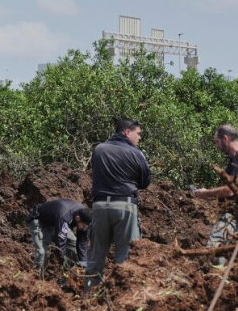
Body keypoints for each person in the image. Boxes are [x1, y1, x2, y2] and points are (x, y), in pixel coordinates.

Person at [86, 119, 152, 292]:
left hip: (100, 207)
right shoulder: (136, 153)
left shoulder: (99, 149)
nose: (140, 138)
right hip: (124, 206)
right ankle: (122, 296)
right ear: (127, 132)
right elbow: (145, 182)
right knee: (126, 255)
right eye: (138, 133)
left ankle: (88, 296)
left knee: (95, 255)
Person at [192, 125, 238, 262]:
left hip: (231, 214)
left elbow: (229, 190)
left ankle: (214, 273)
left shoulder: (237, 158)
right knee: (232, 254)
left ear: (225, 139)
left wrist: (205, 193)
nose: (217, 146)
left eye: (217, 141)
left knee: (215, 252)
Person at [28, 199, 91, 277]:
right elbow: (60, 242)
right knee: (42, 253)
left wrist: (83, 262)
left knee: (73, 243)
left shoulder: (85, 218)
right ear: (78, 218)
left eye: (86, 227)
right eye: (83, 226)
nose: (84, 229)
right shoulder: (64, 215)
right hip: (41, 222)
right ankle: (37, 278)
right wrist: (64, 262)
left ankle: (75, 275)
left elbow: (82, 242)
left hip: (56, 223)